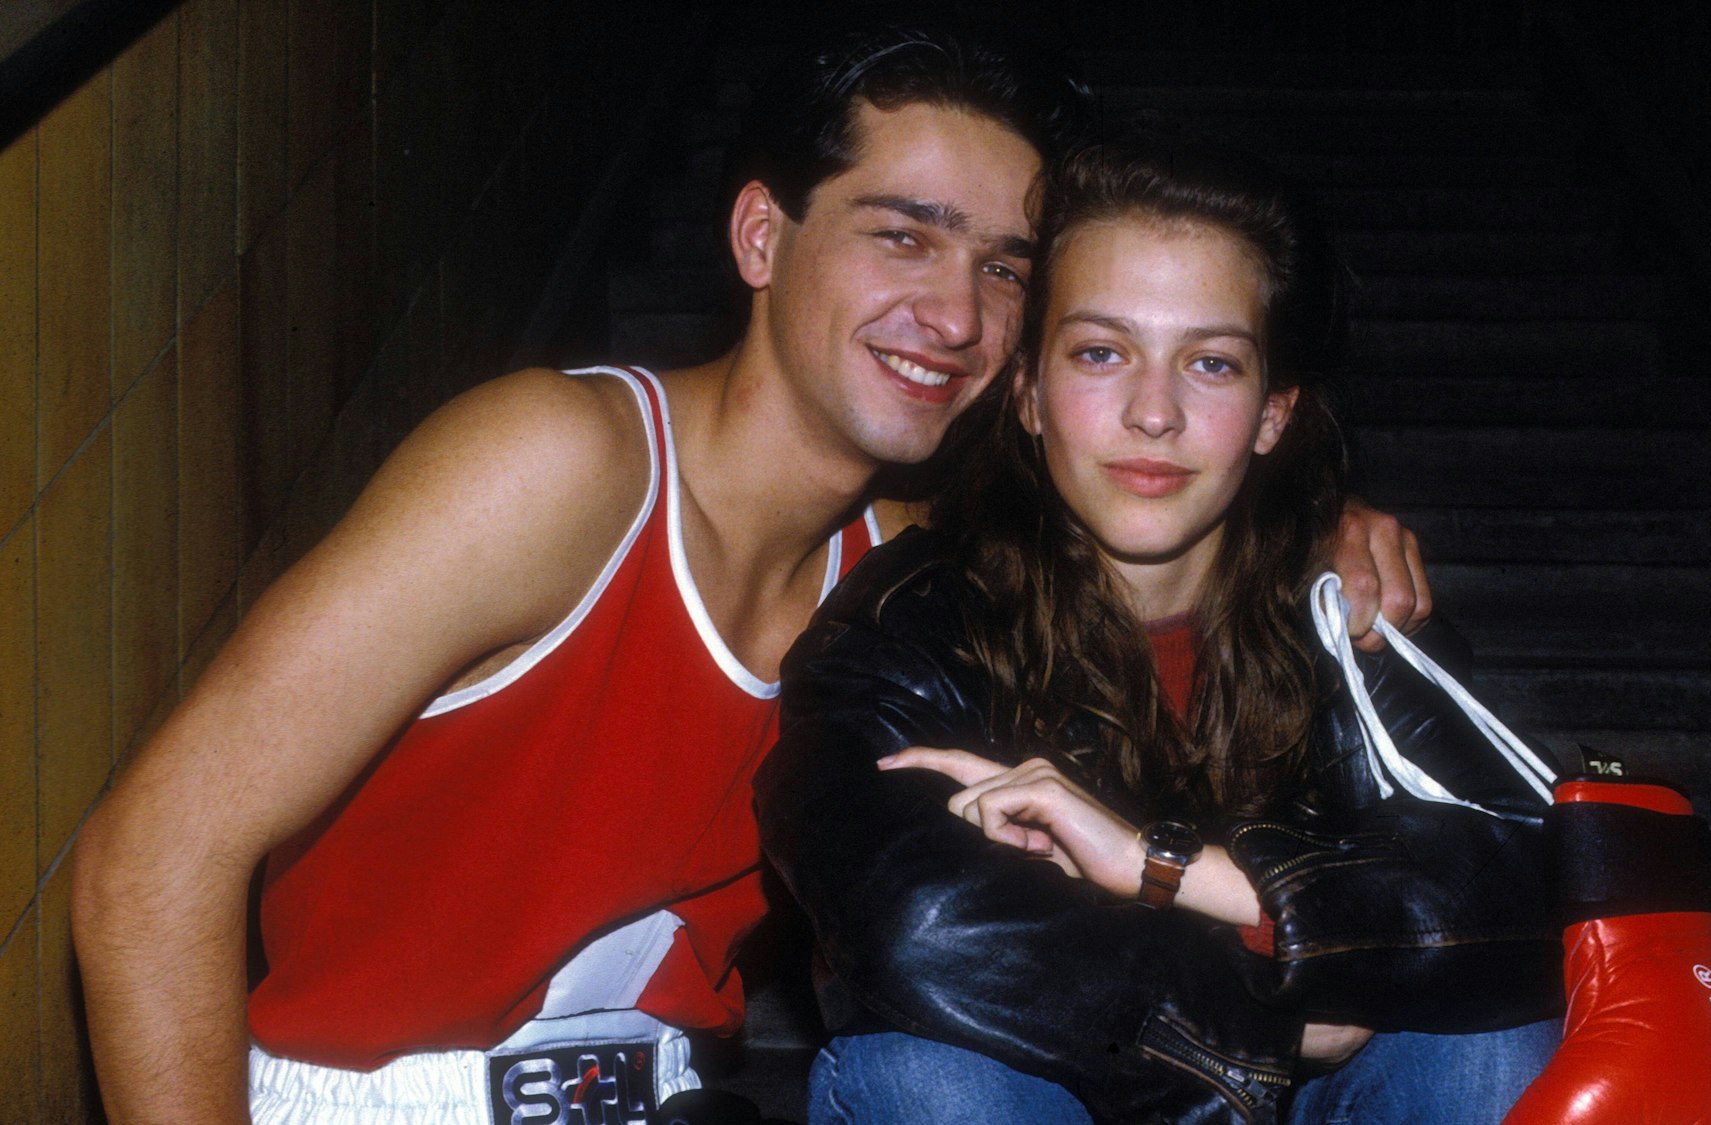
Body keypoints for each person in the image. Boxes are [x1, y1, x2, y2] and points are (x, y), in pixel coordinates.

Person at [69, 25, 1430, 1125]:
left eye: (1004, 268)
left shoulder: (898, 575)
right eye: (902, 234)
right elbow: (151, 860)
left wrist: (1317, 518)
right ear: (763, 239)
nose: (954, 315)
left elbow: (1157, 513)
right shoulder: (562, 466)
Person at [754, 136, 1565, 1124]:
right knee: (919, 1077)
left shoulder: (1353, 616)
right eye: (1100, 352)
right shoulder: (906, 630)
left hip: (1322, 1100)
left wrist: (1157, 866)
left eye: (1211, 363)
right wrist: (1256, 1027)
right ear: (1027, 394)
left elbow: (1518, 899)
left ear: (1271, 415)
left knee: (1495, 1050)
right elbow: (911, 925)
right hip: (1058, 1092)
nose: (1153, 414)